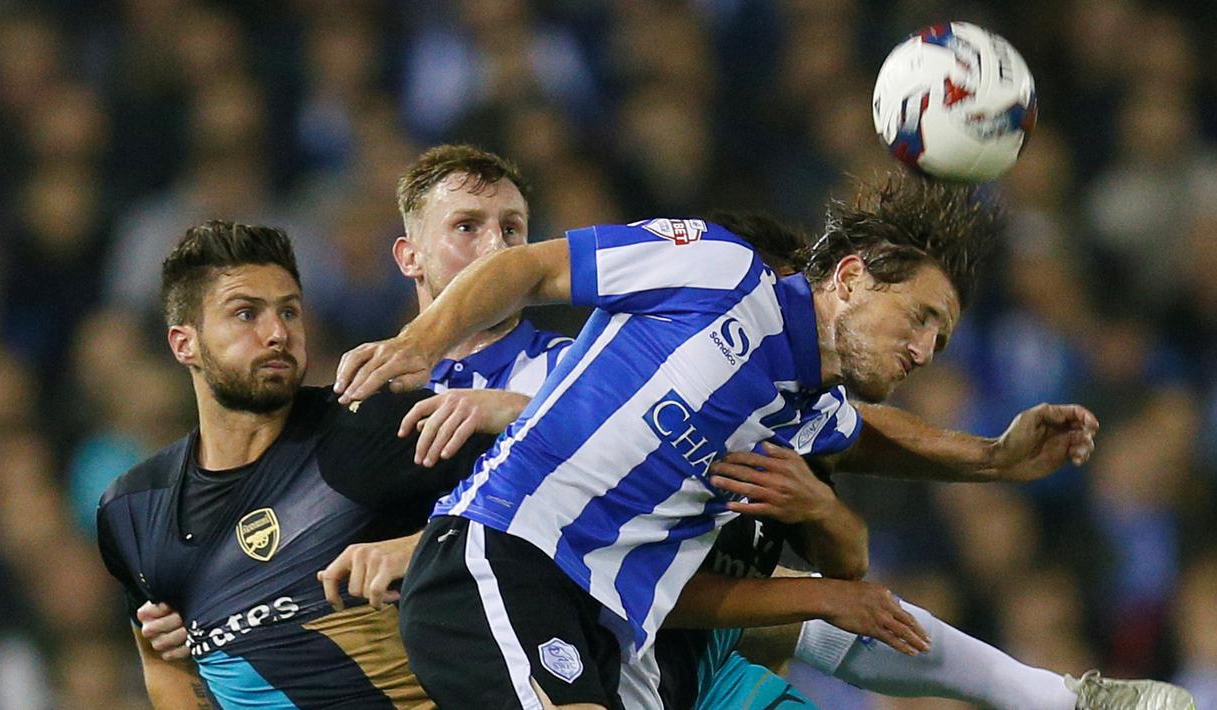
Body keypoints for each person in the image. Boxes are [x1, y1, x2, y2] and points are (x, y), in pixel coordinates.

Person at [332, 174, 1087, 709]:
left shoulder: (806, 414)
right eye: (919, 318)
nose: (925, 350)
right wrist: (421, 342)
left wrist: (992, 458)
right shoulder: (717, 267)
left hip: (605, 626)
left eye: (942, 339)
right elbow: (530, 266)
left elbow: (875, 441)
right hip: (501, 554)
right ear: (851, 278)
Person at [95, 220, 523, 709]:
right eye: (245, 314)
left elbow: (554, 488)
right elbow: (163, 666)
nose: (277, 333)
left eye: (290, 312)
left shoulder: (371, 428)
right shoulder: (133, 509)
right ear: (183, 343)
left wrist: (419, 548)